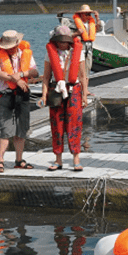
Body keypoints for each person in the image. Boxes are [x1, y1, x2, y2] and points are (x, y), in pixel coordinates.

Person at [0, 30, 39, 173]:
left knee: (22, 128)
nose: (10, 49)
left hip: (23, 95)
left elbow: (34, 72)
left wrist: (21, 74)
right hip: (6, 94)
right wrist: (16, 80)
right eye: (7, 47)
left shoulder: (25, 54)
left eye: (12, 46)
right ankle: (0, 160)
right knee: (5, 129)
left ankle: (19, 160)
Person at [40, 26, 85, 171]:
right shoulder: (50, 53)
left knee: (74, 124)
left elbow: (83, 76)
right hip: (56, 90)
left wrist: (85, 94)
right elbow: (46, 77)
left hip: (74, 89)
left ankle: (76, 158)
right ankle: (58, 159)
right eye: (60, 41)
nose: (63, 44)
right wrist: (43, 94)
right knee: (56, 125)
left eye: (65, 41)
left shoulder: (79, 52)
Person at [73, 4, 98, 99]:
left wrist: (97, 18)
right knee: (80, 70)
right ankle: (80, 89)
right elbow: (69, 35)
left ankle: (85, 90)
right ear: (81, 14)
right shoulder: (74, 23)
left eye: (89, 14)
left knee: (88, 68)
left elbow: (98, 29)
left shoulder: (91, 22)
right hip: (80, 47)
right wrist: (77, 33)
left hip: (89, 48)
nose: (88, 16)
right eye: (86, 14)